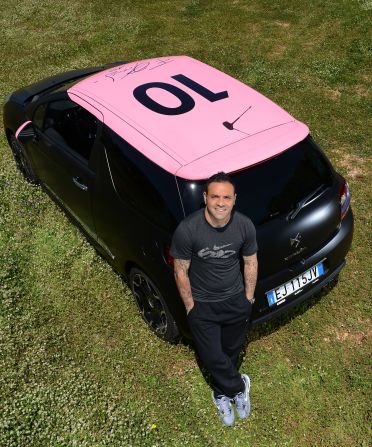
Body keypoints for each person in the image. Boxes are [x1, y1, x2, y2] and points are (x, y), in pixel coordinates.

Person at [170, 172, 258, 427]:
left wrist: (248, 299)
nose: (221, 202)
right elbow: (180, 270)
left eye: (227, 197)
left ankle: (221, 392)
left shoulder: (244, 226)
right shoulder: (188, 229)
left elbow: (250, 262)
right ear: (205, 197)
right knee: (211, 356)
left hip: (235, 302)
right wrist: (190, 307)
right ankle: (239, 386)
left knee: (230, 352)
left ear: (234, 200)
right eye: (215, 196)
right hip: (203, 304)